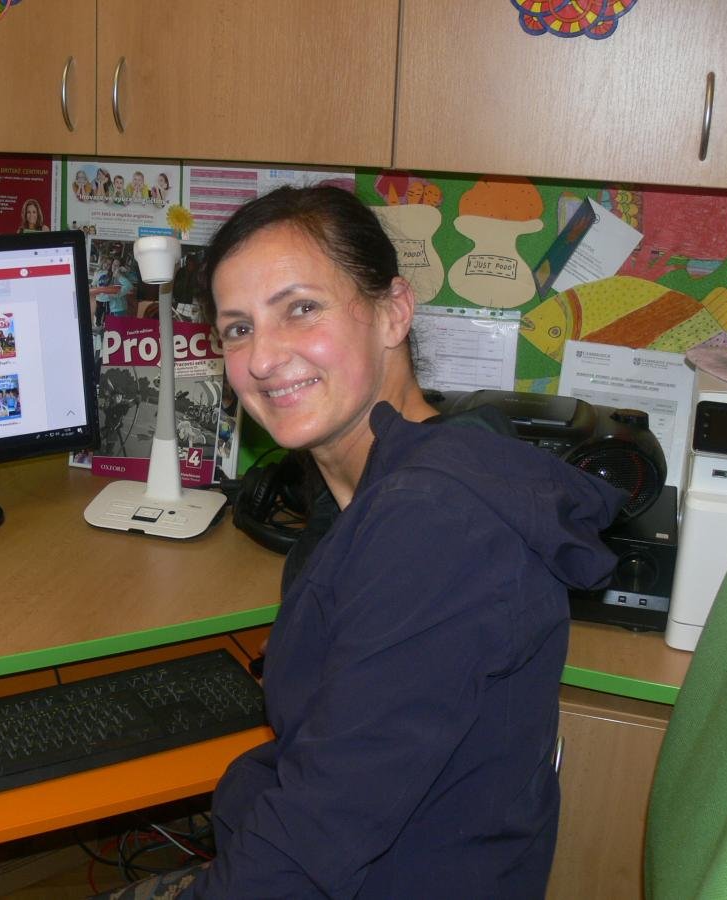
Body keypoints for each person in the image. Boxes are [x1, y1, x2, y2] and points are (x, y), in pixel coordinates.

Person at [99, 186, 624, 898]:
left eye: (301, 309)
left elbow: (314, 841)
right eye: (238, 328)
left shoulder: (435, 528)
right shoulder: (374, 485)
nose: (262, 358)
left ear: (393, 312)